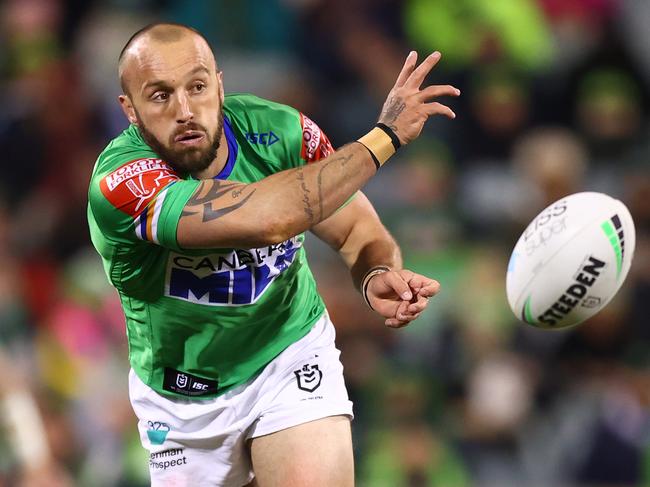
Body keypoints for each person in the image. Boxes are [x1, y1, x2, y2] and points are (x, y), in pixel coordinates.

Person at [87, 22, 459, 487]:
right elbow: (268, 218)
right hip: (184, 399)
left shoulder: (279, 132)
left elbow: (354, 227)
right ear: (130, 110)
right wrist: (383, 137)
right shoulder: (121, 184)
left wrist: (374, 272)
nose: (185, 110)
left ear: (219, 85)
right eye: (160, 96)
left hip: (288, 353)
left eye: (197, 87)